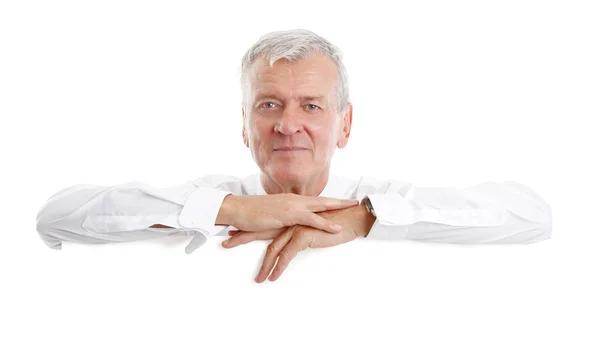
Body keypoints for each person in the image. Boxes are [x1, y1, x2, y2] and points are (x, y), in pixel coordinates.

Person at [35, 29, 552, 283]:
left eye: (311, 105)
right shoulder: (213, 197)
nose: (288, 124)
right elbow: (54, 217)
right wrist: (232, 211)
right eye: (268, 105)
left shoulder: (378, 200)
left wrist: (364, 218)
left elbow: (532, 214)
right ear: (244, 126)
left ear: (344, 124)